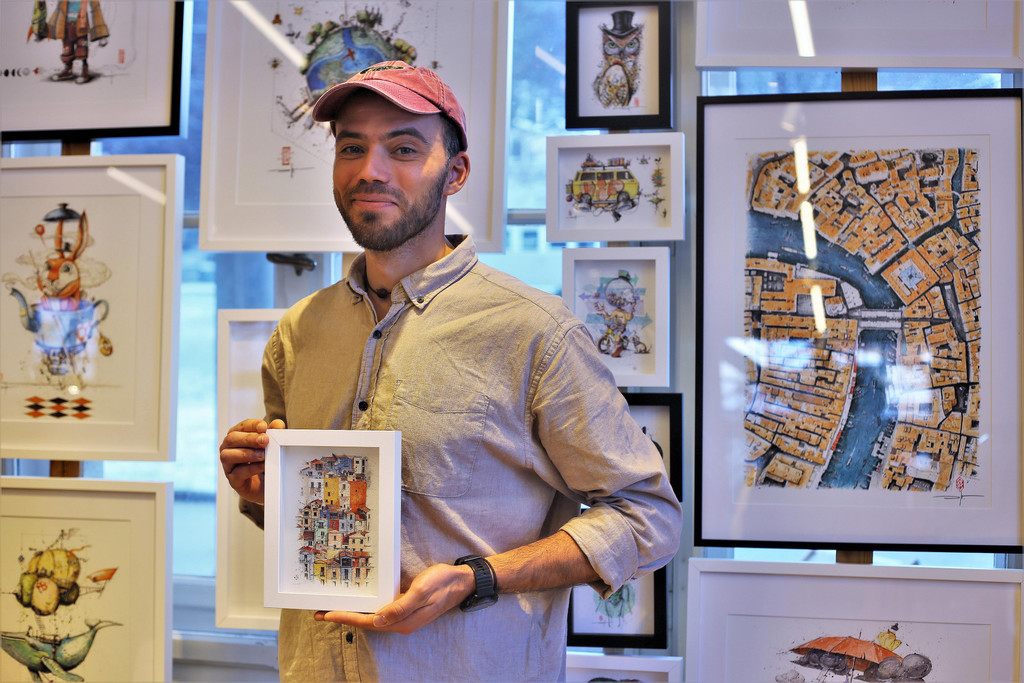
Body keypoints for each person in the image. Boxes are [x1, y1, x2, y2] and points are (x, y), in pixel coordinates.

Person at [219, 61, 682, 681]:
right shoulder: (300, 331)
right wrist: (263, 491)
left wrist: (477, 578)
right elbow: (310, 521)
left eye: (403, 148)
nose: (370, 170)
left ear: (456, 173)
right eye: (351, 148)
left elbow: (647, 517)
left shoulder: (534, 332)